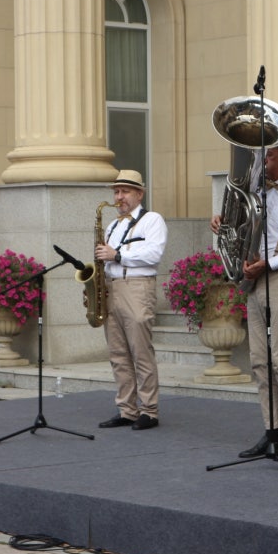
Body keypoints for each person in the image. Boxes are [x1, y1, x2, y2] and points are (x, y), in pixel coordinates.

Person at [210, 133, 278, 459]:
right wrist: (224, 223)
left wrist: (269, 262)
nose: (263, 162)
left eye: (270, 156)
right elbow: (246, 226)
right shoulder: (264, 193)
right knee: (260, 361)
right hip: (258, 278)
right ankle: (272, 432)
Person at [95, 170, 168, 431]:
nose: (119, 197)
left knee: (141, 351)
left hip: (137, 287)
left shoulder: (152, 220)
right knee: (118, 353)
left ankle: (150, 410)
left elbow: (153, 253)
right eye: (116, 191)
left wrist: (117, 255)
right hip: (111, 287)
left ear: (140, 193)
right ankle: (127, 409)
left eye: (125, 191)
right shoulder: (113, 225)